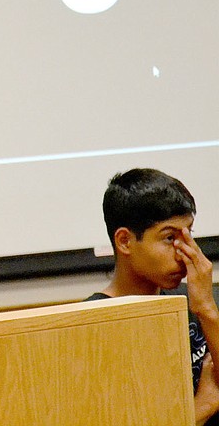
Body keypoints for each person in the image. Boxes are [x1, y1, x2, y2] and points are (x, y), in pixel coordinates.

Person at [86, 168, 219, 425]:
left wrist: (206, 308)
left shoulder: (199, 301)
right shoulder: (92, 324)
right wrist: (200, 409)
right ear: (125, 241)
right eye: (170, 238)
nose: (184, 251)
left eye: (188, 233)